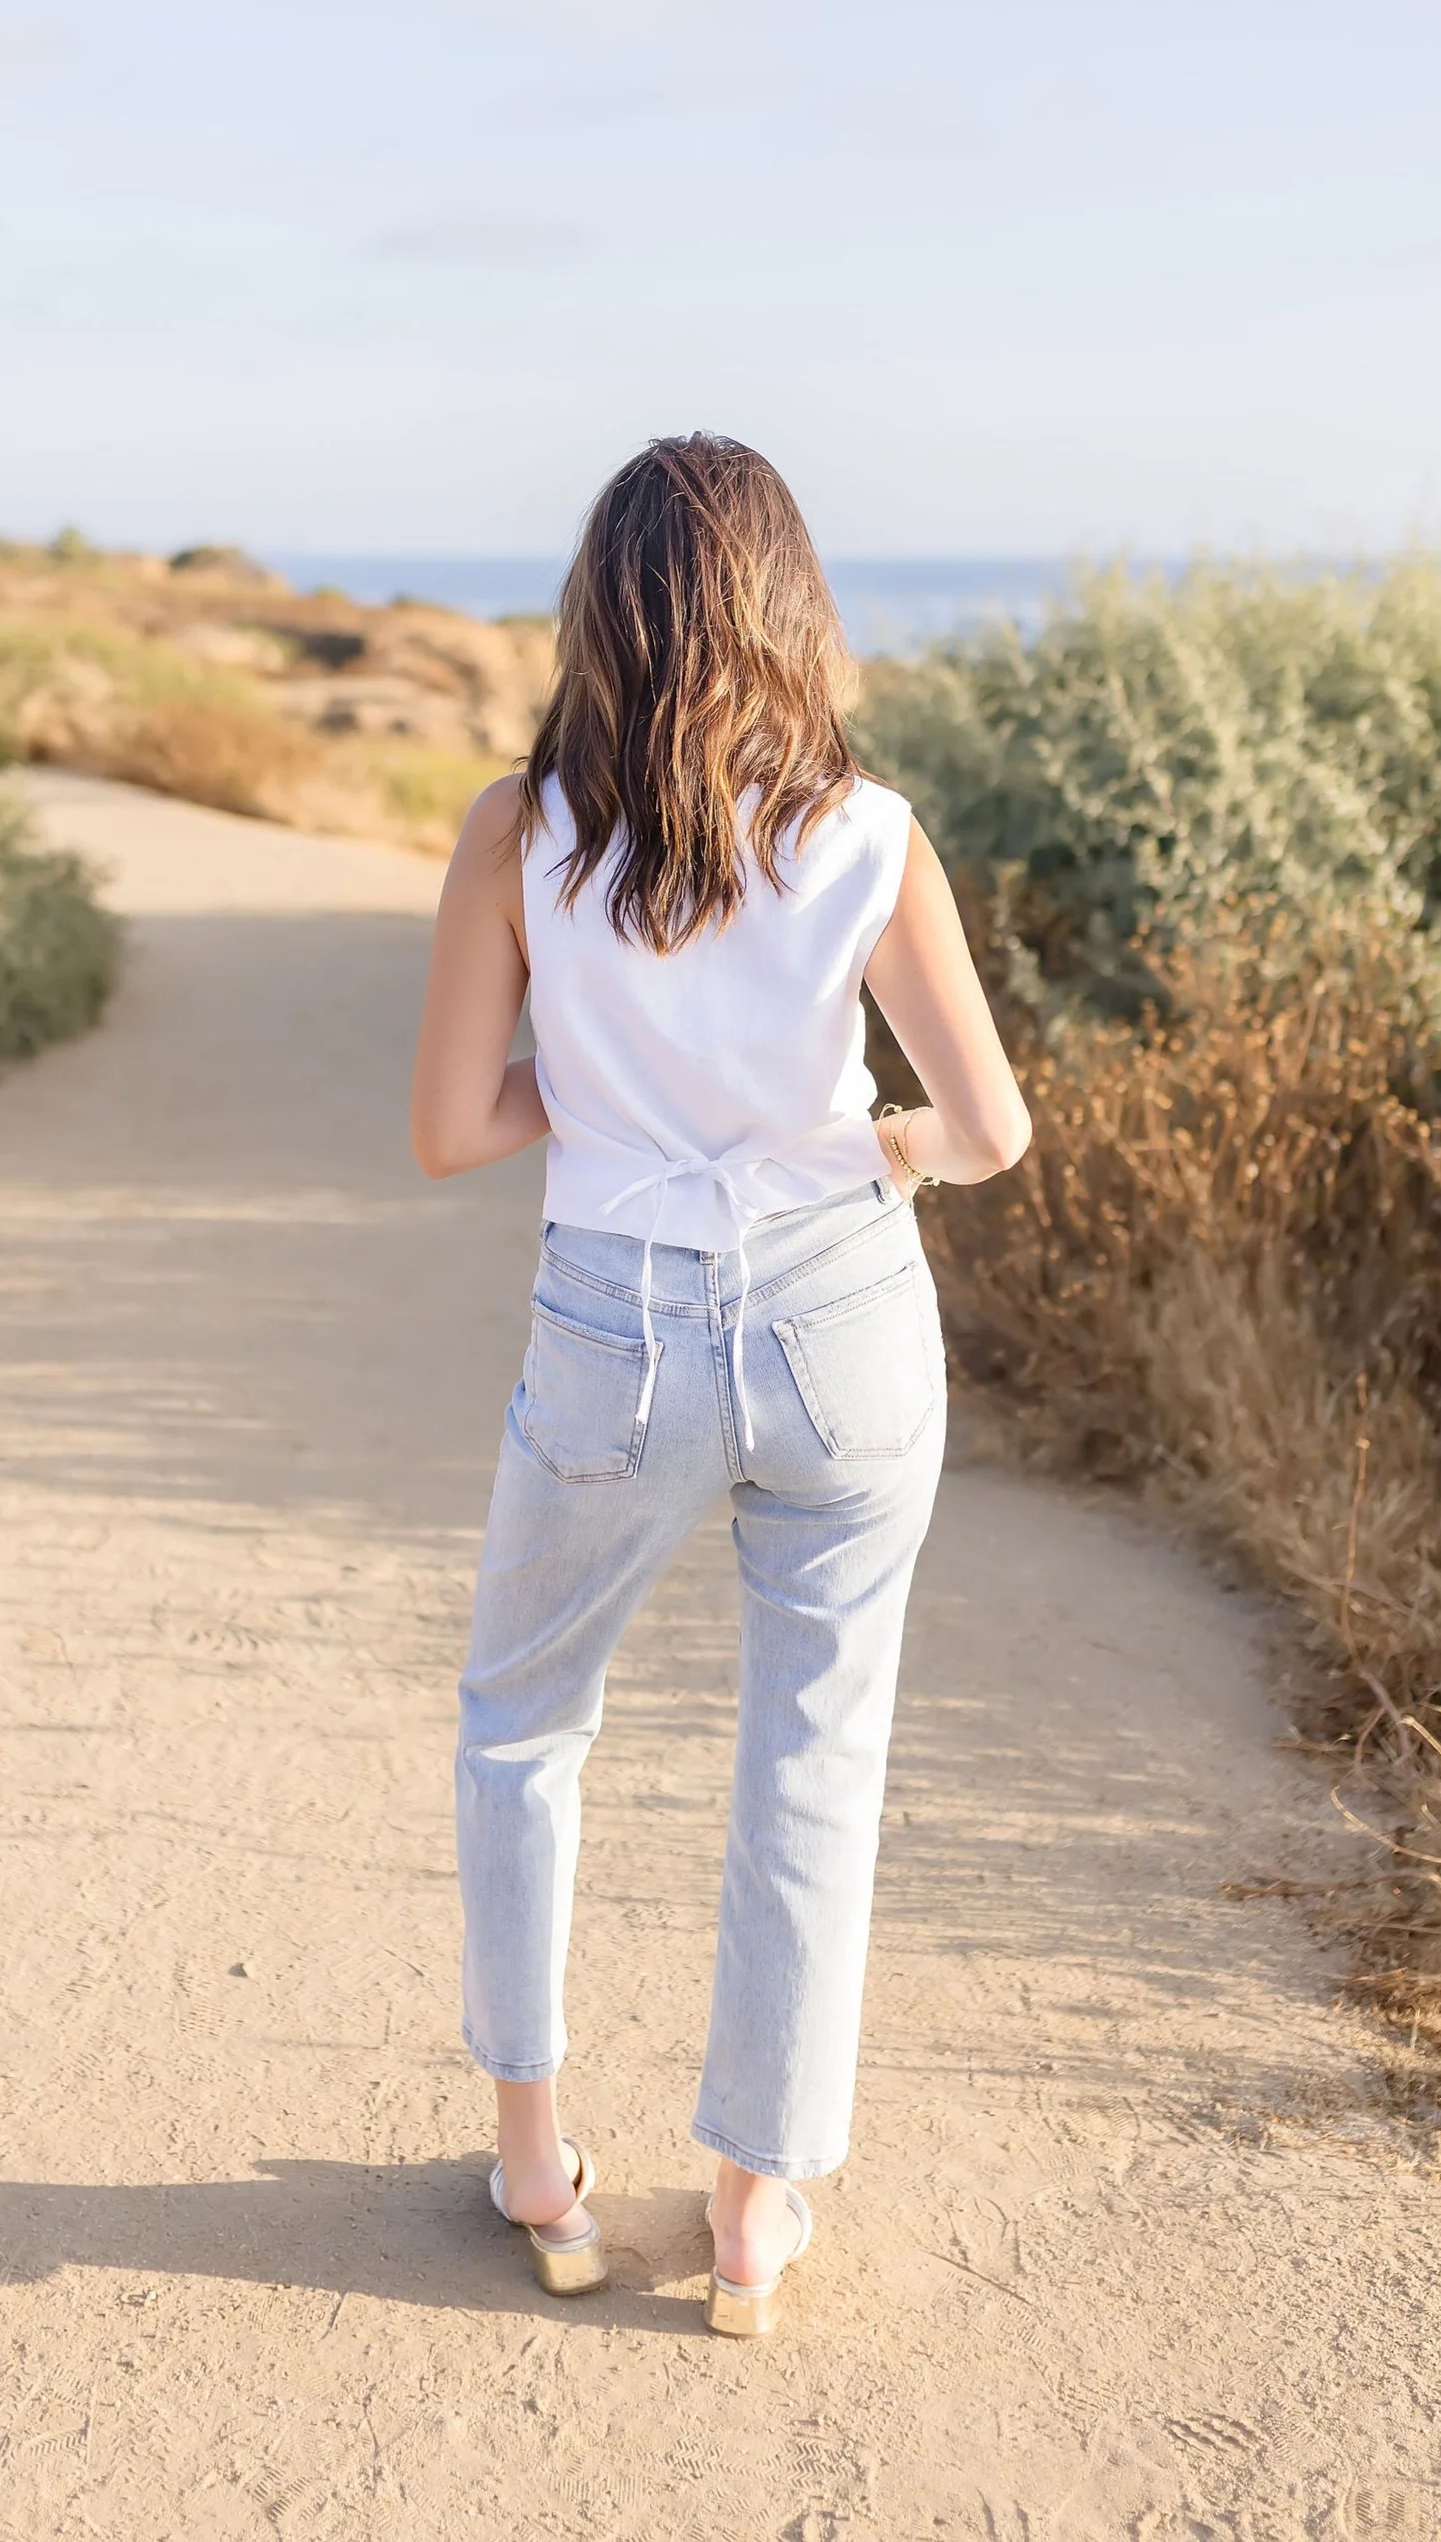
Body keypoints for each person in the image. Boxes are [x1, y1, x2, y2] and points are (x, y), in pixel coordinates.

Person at [410, 433, 1031, 2337]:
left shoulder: (522, 831)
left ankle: (537, 2164)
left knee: (526, 1718)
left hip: (617, 1320)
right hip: (845, 1317)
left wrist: (590, 1103)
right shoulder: (871, 830)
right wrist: (877, 1155)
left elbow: (450, 1127)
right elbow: (993, 1127)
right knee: (813, 1746)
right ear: (790, 604)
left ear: (601, 610)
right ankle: (756, 2202)